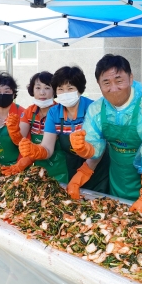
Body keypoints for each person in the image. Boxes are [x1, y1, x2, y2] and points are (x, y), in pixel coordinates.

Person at [69, 54, 142, 214]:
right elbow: (96, 149)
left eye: (119, 80)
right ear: (99, 84)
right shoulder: (96, 110)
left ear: (131, 78)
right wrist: (83, 152)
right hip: (118, 176)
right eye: (106, 83)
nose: (113, 88)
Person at [17, 67, 110, 195]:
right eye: (60, 89)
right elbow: (47, 148)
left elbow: (98, 149)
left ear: (80, 90)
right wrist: (35, 151)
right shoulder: (54, 113)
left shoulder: (93, 109)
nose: (65, 93)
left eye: (70, 88)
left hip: (97, 169)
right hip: (71, 168)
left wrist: (81, 176)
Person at [0, 71, 56, 175]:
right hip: (40, 165)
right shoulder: (30, 112)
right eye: (38, 88)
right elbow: (20, 140)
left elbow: (48, 146)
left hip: (60, 165)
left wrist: (26, 160)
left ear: (54, 91)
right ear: (32, 91)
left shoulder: (59, 112)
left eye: (47, 88)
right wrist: (13, 129)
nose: (42, 92)